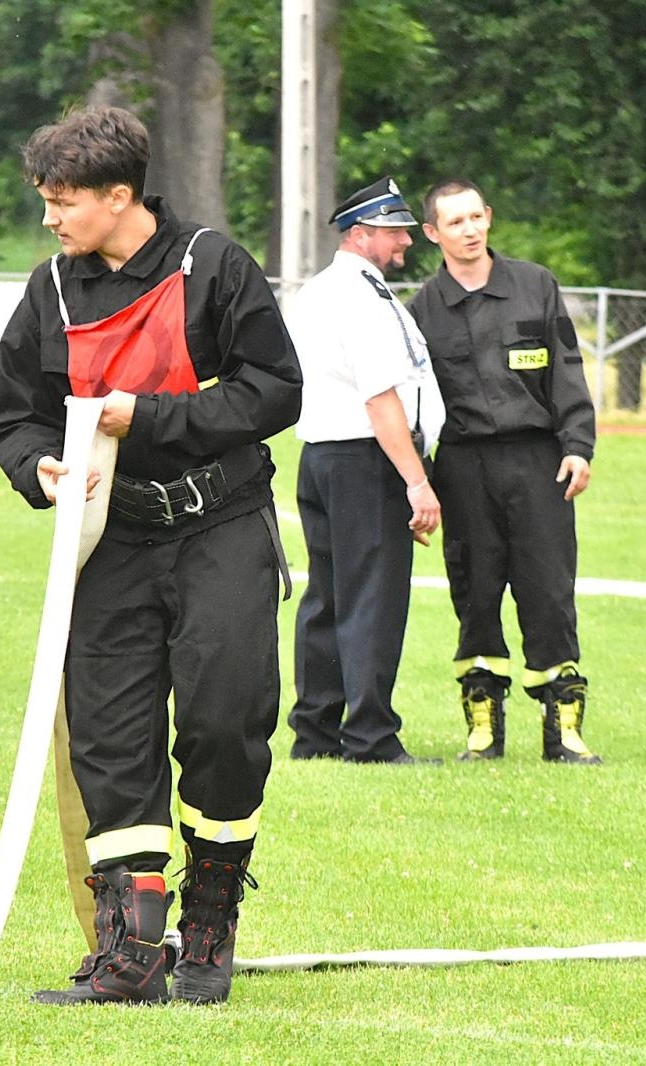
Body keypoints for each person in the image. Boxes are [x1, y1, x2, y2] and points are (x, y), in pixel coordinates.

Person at [0, 106, 301, 1006]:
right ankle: (130, 951)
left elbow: (276, 391)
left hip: (220, 528)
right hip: (110, 542)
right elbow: (17, 414)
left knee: (224, 721)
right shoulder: (48, 290)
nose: (50, 219)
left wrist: (148, 417)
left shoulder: (215, 267)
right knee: (112, 738)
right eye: (45, 201)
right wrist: (38, 466)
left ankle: (209, 920)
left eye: (63, 202)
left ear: (120, 196)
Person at [404, 179, 602, 765]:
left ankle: (563, 731)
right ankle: (483, 729)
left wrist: (578, 445)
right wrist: (416, 481)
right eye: (455, 223)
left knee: (548, 590)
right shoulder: (421, 311)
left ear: (488, 217)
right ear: (432, 234)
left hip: (538, 462)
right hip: (463, 468)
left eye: (476, 218)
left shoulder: (535, 286)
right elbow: (412, 406)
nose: (469, 231)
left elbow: (567, 370)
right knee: (476, 591)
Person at [284, 177, 445, 765]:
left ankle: (317, 733)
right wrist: (417, 480)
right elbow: (381, 397)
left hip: (325, 456)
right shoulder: (360, 298)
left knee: (327, 597)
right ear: (361, 233)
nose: (405, 241)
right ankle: (372, 737)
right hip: (365, 457)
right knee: (372, 599)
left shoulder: (325, 290)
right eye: (395, 231)